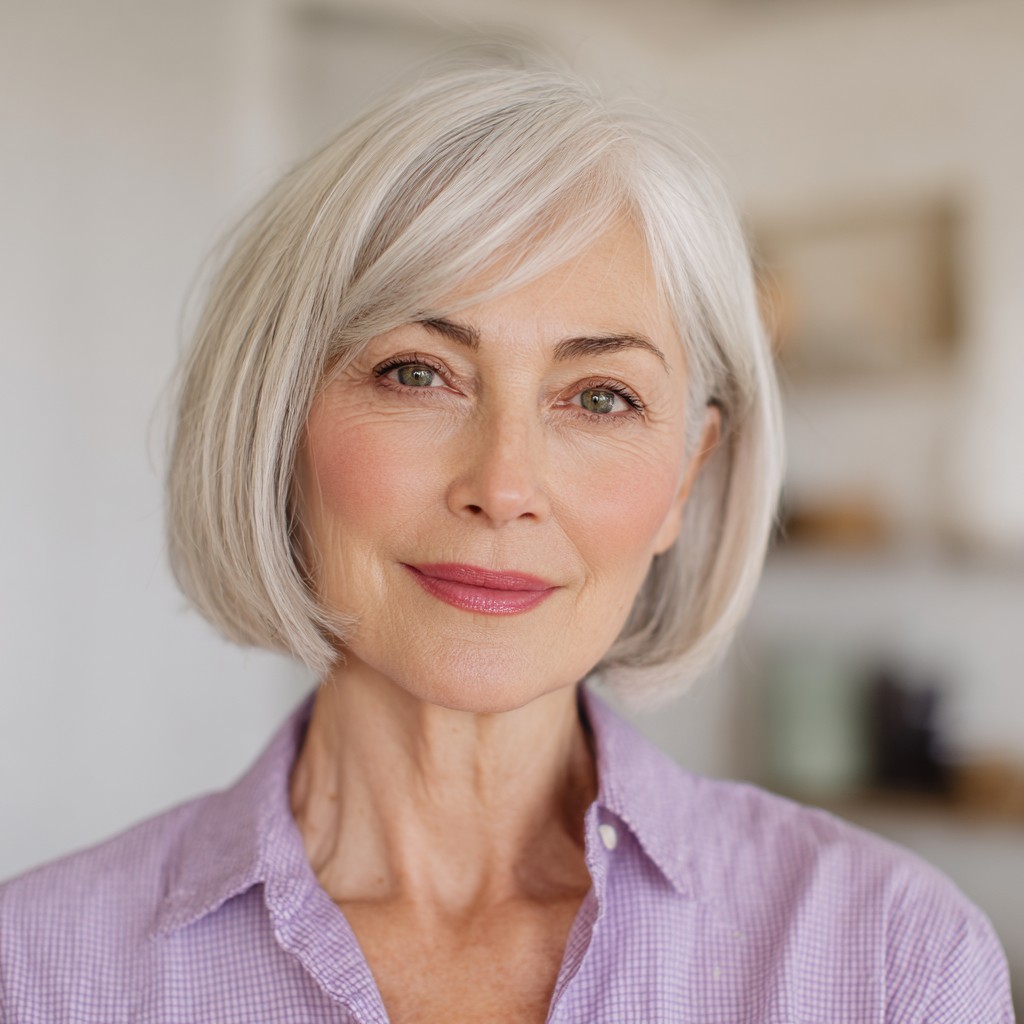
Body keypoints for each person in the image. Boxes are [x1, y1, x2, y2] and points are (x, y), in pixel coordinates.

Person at [0, 50, 1014, 1024]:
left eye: (601, 396)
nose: (503, 486)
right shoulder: (39, 974)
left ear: (686, 476)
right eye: (417, 373)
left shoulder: (893, 962)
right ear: (276, 422)